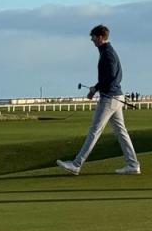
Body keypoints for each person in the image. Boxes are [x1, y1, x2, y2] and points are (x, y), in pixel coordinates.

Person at [56, 25, 141, 175]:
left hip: (110, 98)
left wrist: (96, 88)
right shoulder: (107, 52)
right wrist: (97, 88)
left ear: (101, 37)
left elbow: (111, 77)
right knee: (121, 132)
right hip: (114, 96)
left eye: (93, 37)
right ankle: (133, 164)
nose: (92, 40)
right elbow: (114, 77)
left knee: (94, 131)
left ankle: (76, 164)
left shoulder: (108, 53)